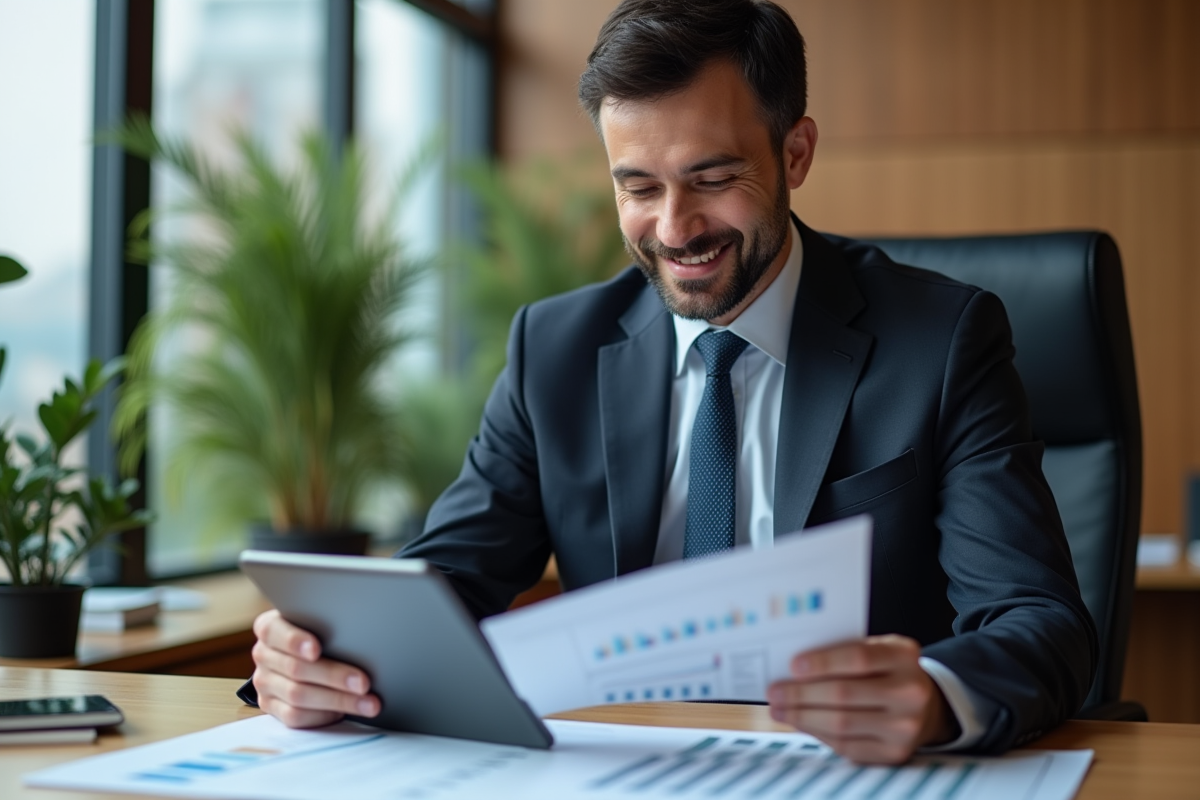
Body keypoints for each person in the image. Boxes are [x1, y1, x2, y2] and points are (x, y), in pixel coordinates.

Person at [246, 0, 1096, 765]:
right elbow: (447, 581)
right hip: (622, 769)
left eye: (714, 179)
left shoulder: (940, 341)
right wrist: (318, 660)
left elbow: (1041, 624)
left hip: (844, 773)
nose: (676, 227)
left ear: (795, 153)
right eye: (638, 187)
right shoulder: (556, 348)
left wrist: (936, 697)